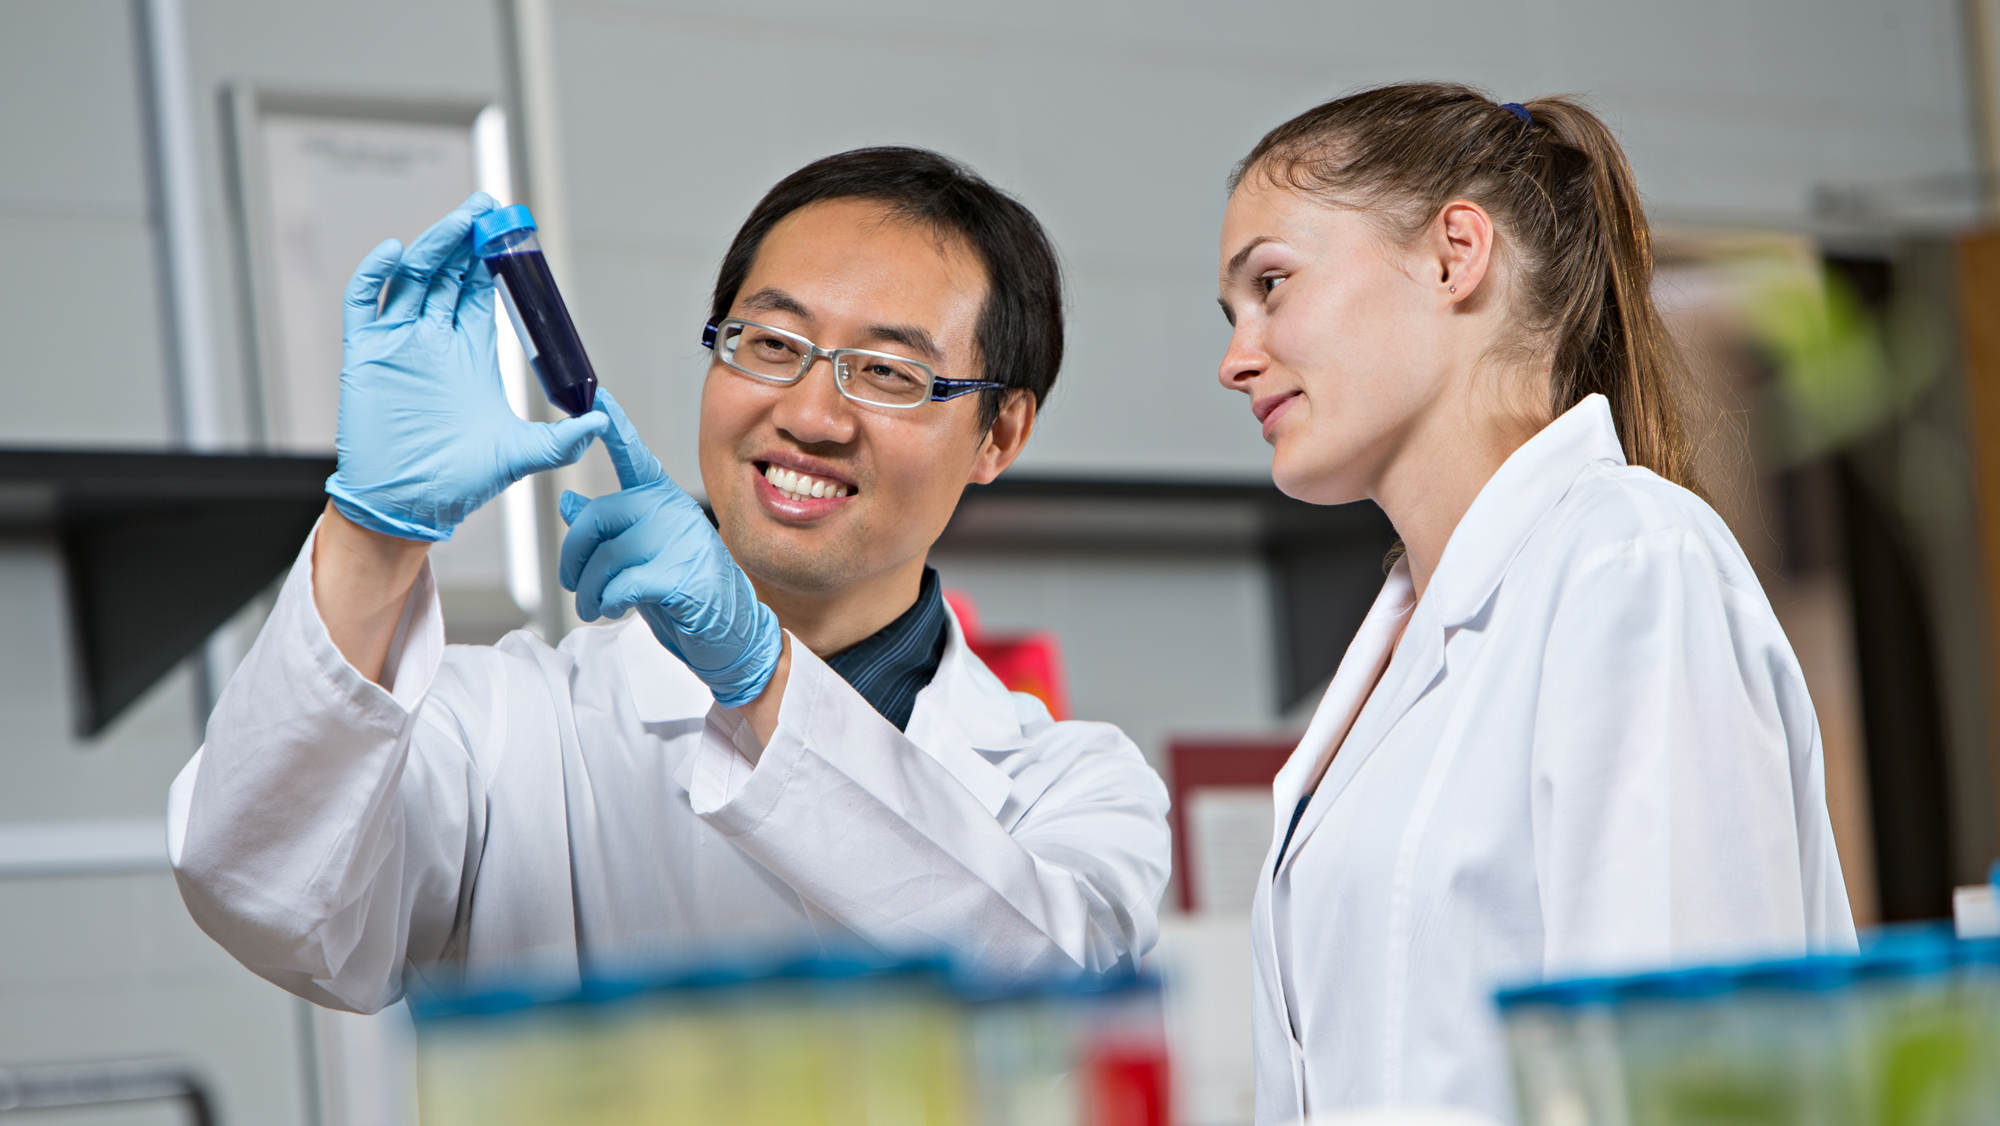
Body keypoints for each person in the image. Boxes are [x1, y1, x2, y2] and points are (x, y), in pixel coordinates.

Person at [168, 148, 1171, 1014]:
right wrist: (372, 529)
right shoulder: (513, 730)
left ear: (998, 431)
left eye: (887, 371)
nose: (811, 415)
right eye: (771, 344)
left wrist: (760, 677)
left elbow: (1048, 997)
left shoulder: (1077, 787)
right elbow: (260, 888)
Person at [1213, 84, 1857, 1122]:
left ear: (1452, 254)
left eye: (1271, 284)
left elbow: (1679, 1076)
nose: (1234, 358)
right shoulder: (1403, 641)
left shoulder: (1628, 562)